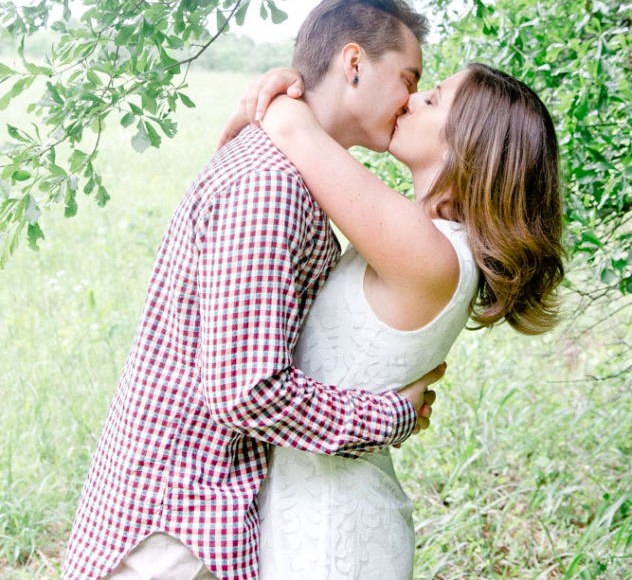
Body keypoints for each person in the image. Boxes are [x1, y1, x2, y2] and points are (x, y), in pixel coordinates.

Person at [62, 0, 447, 580]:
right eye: (408, 75)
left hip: (197, 508)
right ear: (353, 63)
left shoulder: (295, 168)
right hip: (177, 525)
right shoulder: (273, 183)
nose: (410, 97)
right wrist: (390, 417)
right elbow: (245, 390)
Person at [219, 60, 565, 579]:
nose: (414, 98)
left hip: (335, 542)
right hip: (308, 519)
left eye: (435, 98)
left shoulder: (429, 252)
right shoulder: (423, 242)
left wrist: (281, 86)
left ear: (470, 144)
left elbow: (293, 128)